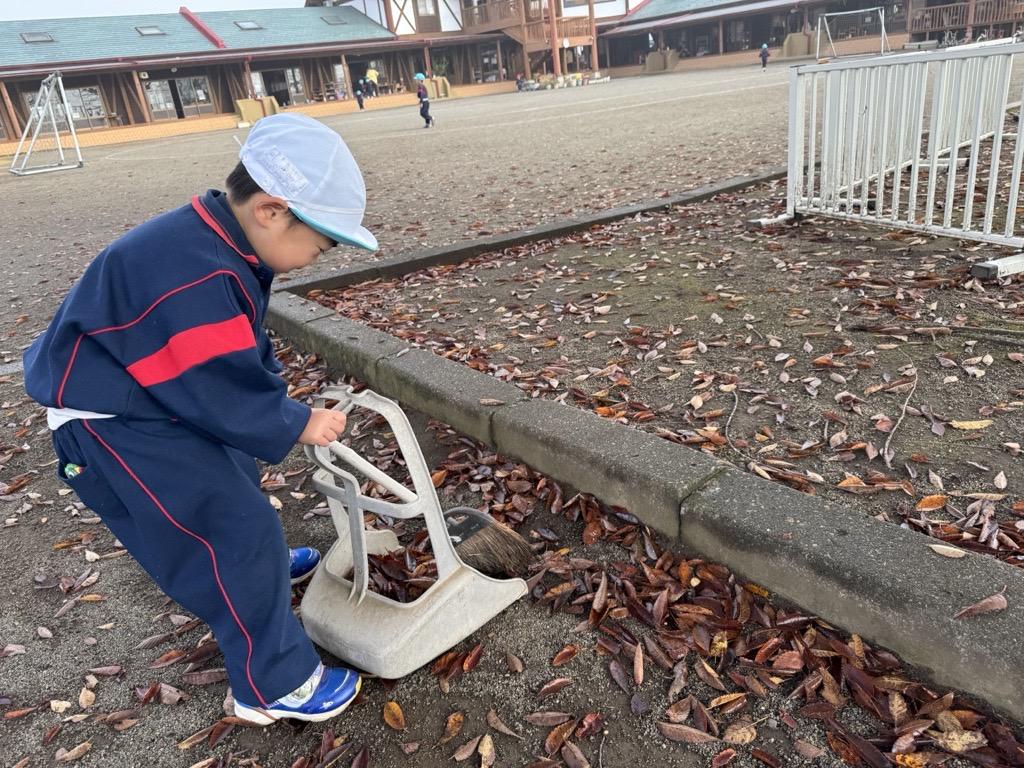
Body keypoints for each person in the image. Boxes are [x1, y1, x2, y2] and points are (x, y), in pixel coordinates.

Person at [23, 113, 378, 726]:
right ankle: (273, 685)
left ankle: (259, 574)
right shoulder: (197, 273)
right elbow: (215, 385)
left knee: (233, 477)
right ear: (271, 210)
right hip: (114, 423)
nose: (313, 259)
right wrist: (295, 420)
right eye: (318, 246)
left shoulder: (216, 240)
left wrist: (276, 399)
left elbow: (239, 346)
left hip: (146, 395)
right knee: (232, 532)